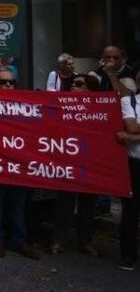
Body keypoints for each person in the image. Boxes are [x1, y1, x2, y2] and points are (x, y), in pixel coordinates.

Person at [0, 69, 38, 260]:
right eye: (3, 82)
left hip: (18, 163)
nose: (8, 86)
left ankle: (19, 239)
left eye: (12, 82)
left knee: (17, 204)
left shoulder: (24, 104)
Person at [49, 73, 100, 257]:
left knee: (88, 204)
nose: (73, 87)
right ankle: (59, 239)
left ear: (90, 90)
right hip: (68, 162)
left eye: (79, 84)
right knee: (65, 203)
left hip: (90, 162)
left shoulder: (100, 110)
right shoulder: (62, 105)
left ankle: (85, 240)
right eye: (73, 84)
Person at [116, 72, 140, 270]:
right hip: (134, 164)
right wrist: (132, 135)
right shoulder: (129, 101)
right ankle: (128, 256)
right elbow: (131, 127)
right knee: (131, 211)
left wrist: (134, 137)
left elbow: (132, 133)